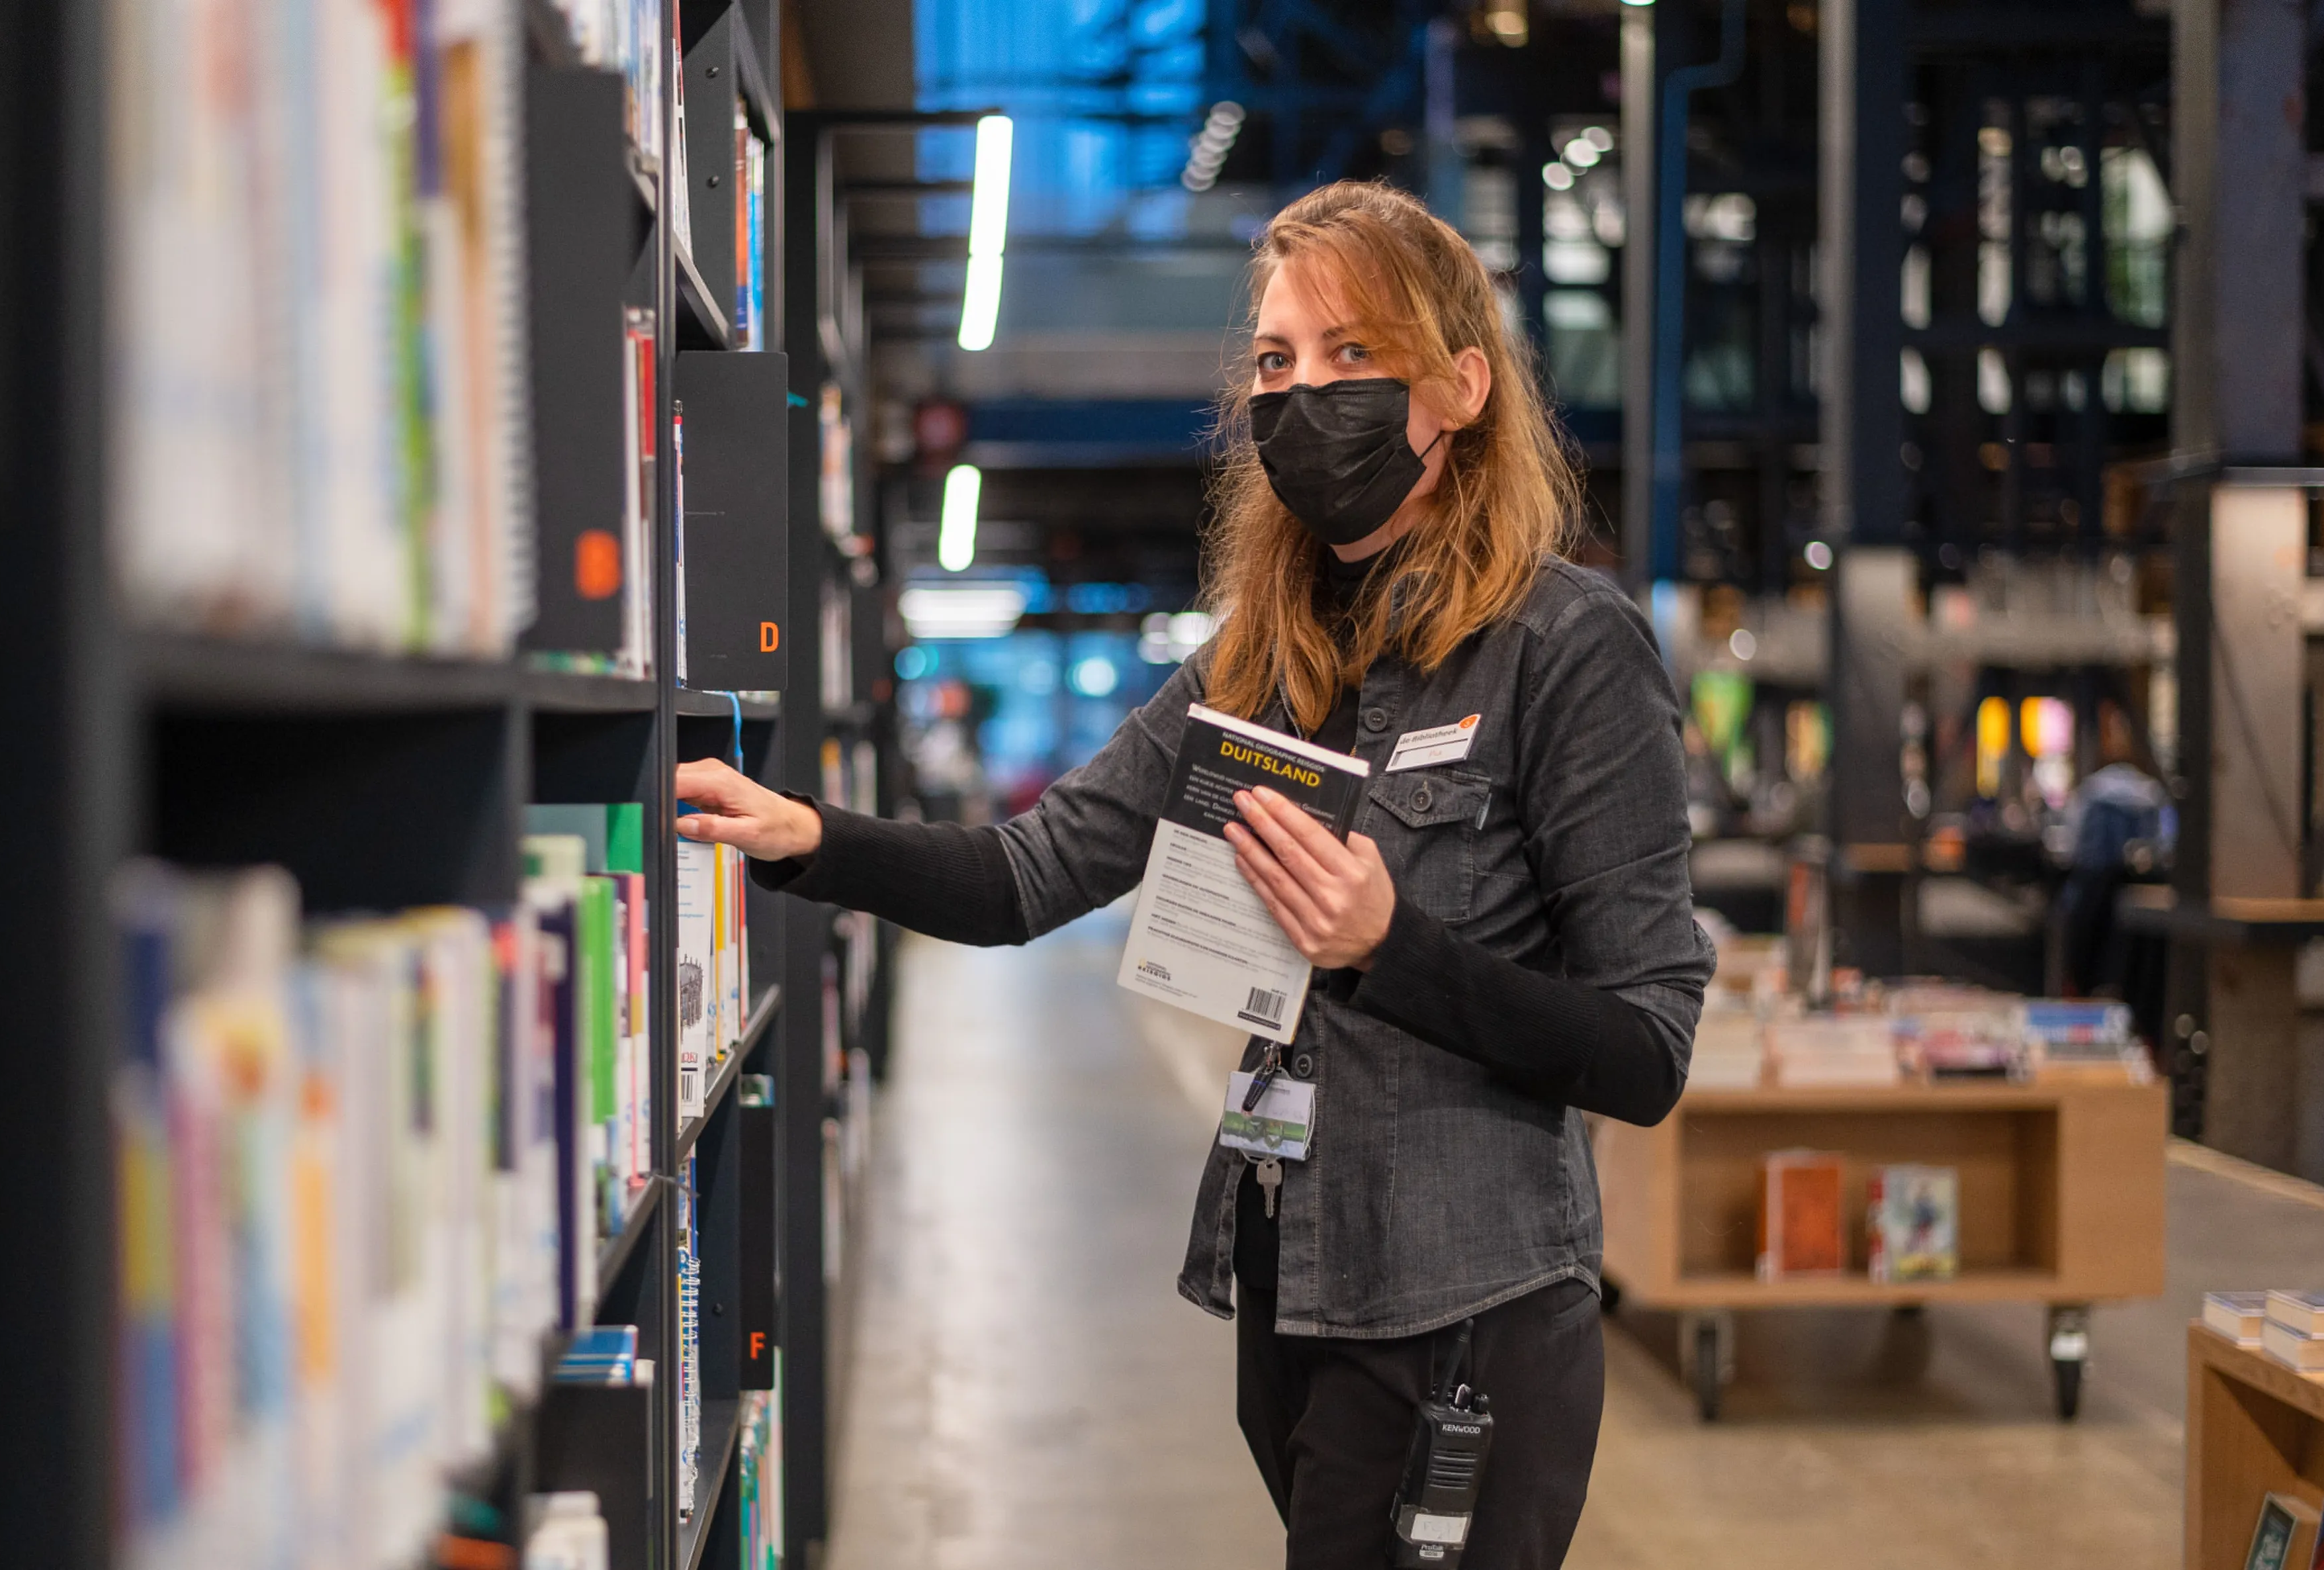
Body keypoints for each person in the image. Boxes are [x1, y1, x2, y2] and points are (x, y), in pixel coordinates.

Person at [674, 180, 1714, 1569]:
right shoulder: (1257, 667)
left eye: (1354, 354)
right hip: (1291, 1286)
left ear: (1461, 387)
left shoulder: (1567, 649)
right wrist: (810, 837)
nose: (1303, 394)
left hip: (1463, 1316)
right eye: (1277, 361)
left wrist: (1386, 944)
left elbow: (1645, 1049)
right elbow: (1026, 875)